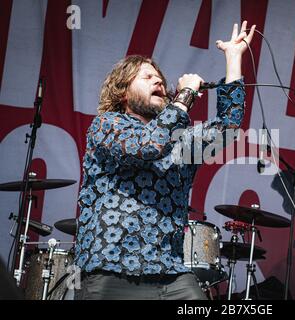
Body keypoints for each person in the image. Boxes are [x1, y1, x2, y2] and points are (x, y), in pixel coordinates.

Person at [73, 21, 256, 300]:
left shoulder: (180, 140)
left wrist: (234, 58)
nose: (158, 81)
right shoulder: (106, 125)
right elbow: (145, 146)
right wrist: (184, 98)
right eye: (146, 78)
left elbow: (227, 129)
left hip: (170, 272)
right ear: (123, 93)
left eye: (159, 78)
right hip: (112, 268)